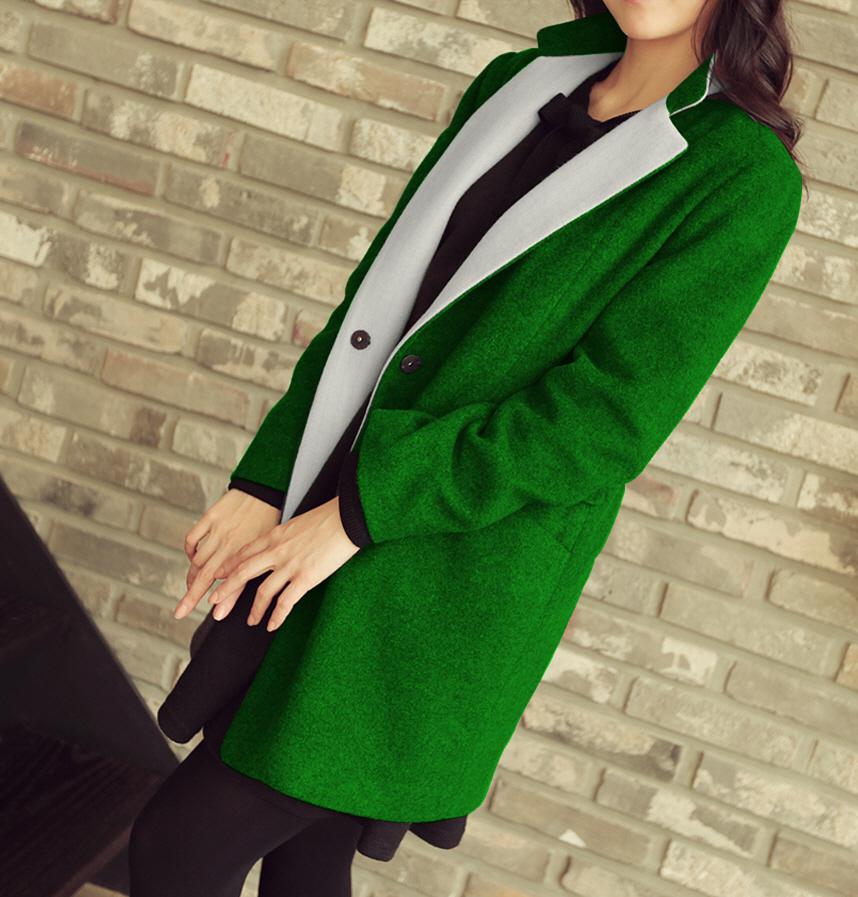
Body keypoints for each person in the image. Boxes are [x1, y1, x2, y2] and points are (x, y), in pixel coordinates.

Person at [129, 2, 805, 894]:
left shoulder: (741, 172)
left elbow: (599, 423)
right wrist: (268, 476)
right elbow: (376, 305)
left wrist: (360, 512)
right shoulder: (519, 85)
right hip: (327, 502)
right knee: (307, 862)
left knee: (178, 845)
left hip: (447, 570)